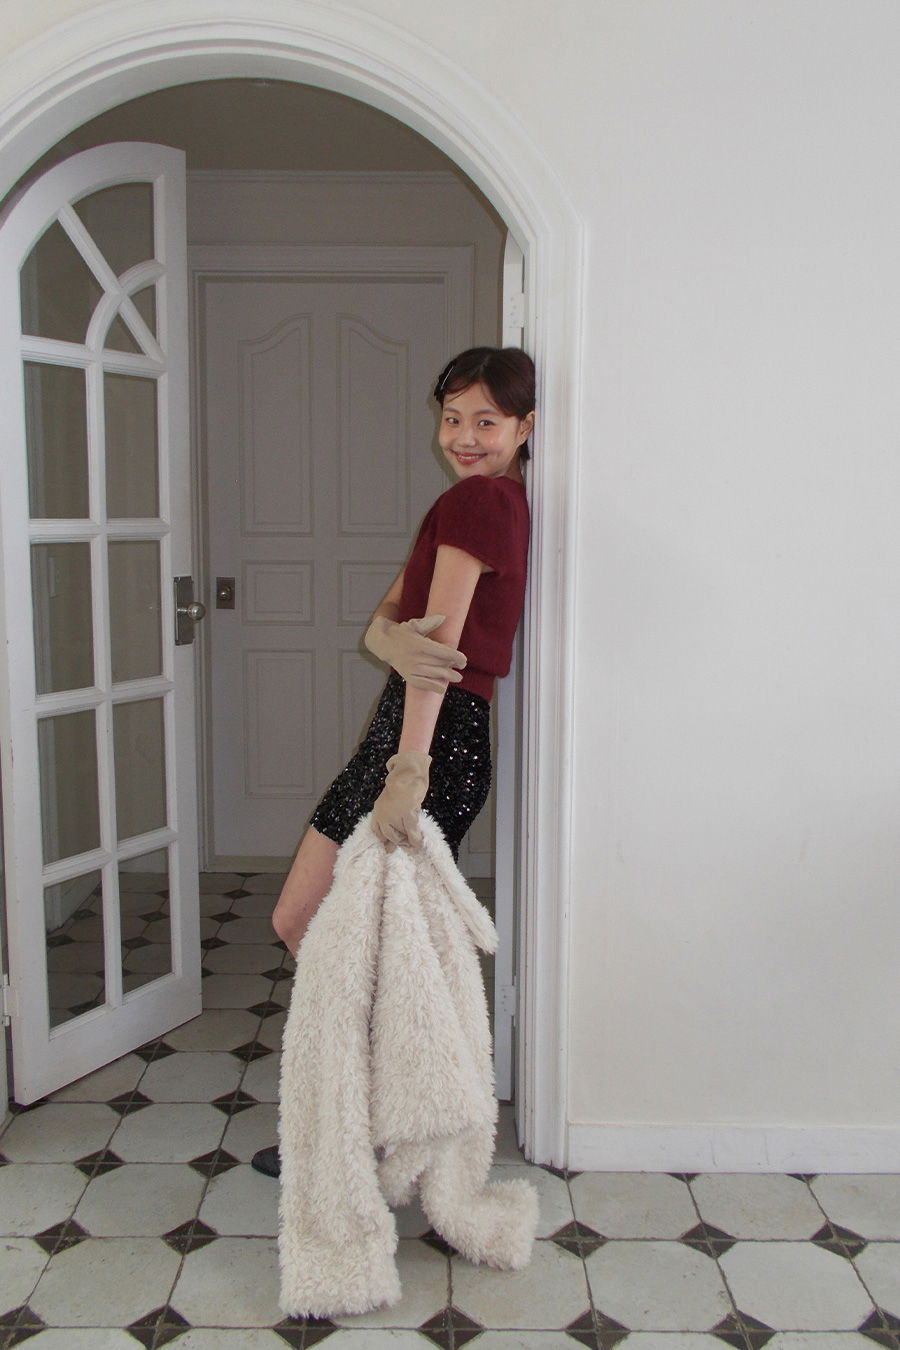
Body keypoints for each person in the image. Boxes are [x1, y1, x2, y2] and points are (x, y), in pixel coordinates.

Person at [252, 345, 535, 1177]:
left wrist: (406, 774)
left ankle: (374, 1133)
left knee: (325, 931)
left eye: (487, 421)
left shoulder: (480, 500)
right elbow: (390, 620)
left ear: (525, 427)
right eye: (452, 418)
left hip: (426, 738)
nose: (465, 437)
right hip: (430, 734)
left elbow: (433, 657)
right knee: (362, 943)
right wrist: (386, 639)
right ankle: (379, 1130)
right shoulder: (481, 502)